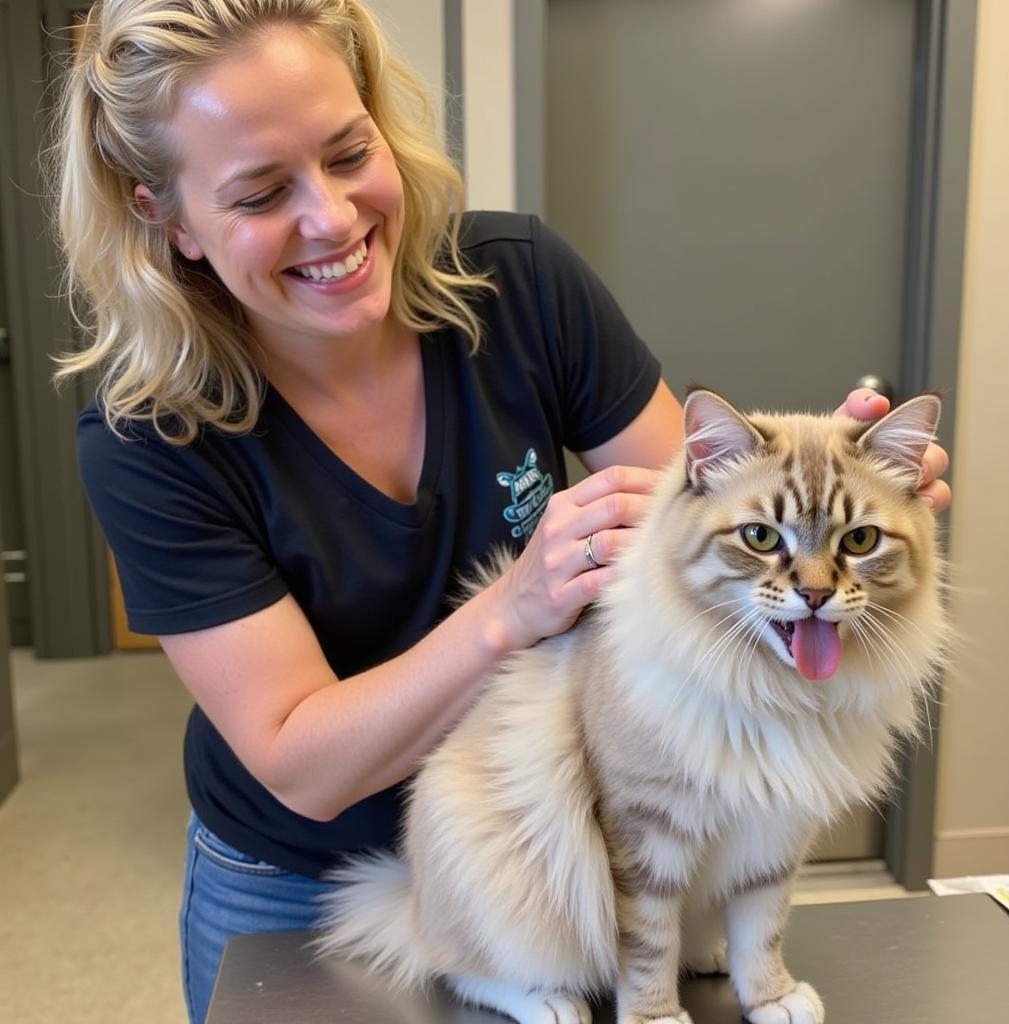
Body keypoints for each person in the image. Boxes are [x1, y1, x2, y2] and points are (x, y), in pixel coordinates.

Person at [49, 2, 951, 1021]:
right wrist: (512, 610)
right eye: (261, 192)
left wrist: (846, 502)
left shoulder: (518, 283)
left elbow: (688, 525)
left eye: (350, 152)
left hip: (572, 828)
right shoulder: (146, 440)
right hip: (299, 876)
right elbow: (302, 761)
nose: (334, 219)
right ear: (165, 217)